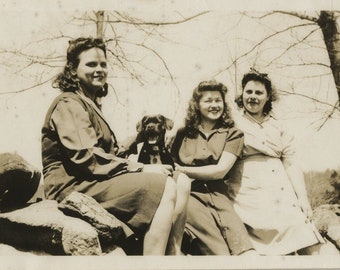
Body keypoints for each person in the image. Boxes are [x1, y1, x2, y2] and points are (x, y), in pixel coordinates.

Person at [41, 37, 191, 255]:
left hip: (93, 179)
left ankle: (173, 253)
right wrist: (141, 168)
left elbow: (110, 154)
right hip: (72, 185)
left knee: (181, 181)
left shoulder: (90, 104)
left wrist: (136, 142)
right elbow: (86, 156)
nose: (99, 69)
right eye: (91, 64)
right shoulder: (69, 102)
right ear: (72, 70)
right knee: (163, 186)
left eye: (103, 64)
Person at [228, 69, 339, 255]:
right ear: (242, 94)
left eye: (259, 92)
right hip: (247, 194)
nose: (253, 97)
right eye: (249, 92)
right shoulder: (233, 123)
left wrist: (302, 198)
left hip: (280, 192)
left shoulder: (279, 125)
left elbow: (290, 163)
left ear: (268, 96)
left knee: (306, 237)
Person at [171, 80, 256, 255]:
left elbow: (220, 170)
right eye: (208, 101)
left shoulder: (233, 133)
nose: (214, 105)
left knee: (245, 250)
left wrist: (183, 169)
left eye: (218, 100)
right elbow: (170, 166)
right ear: (197, 105)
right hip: (189, 195)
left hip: (220, 196)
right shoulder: (182, 134)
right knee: (219, 253)